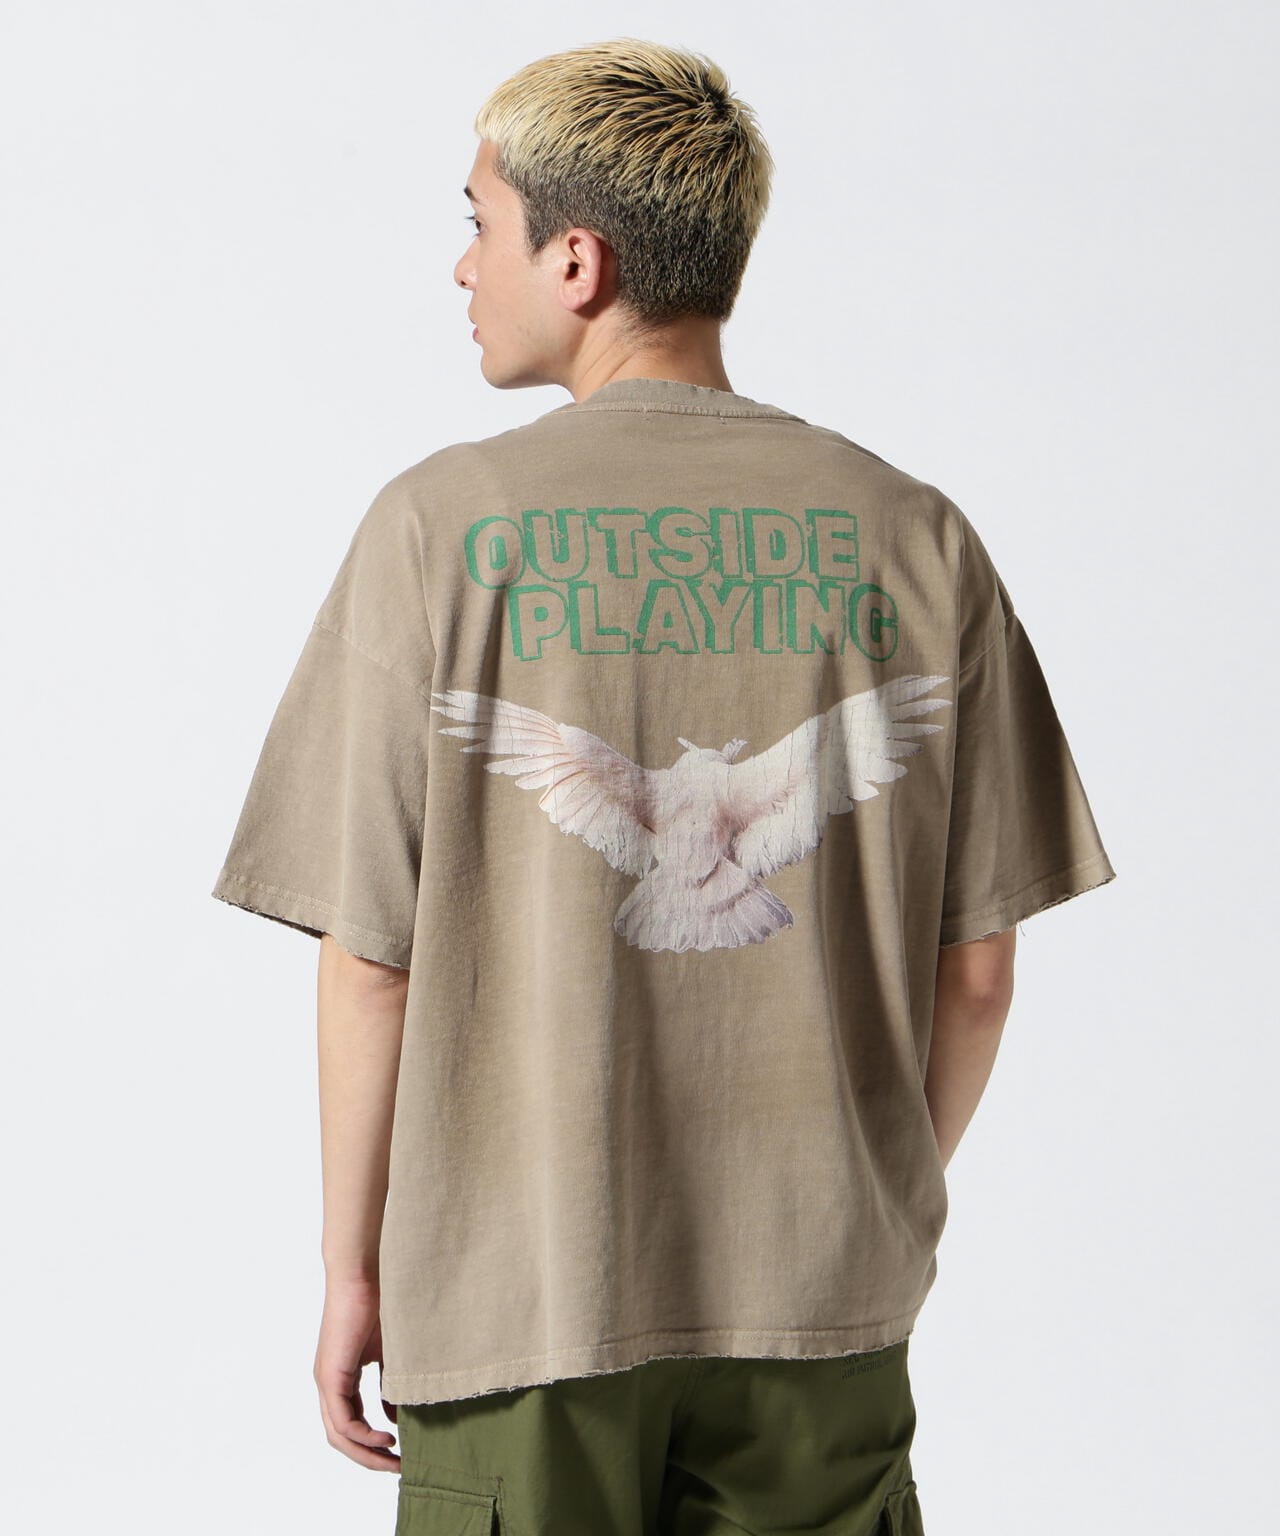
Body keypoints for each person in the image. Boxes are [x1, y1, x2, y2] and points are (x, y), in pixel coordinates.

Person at [210, 36, 1117, 1535]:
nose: (461, 266)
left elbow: (373, 961)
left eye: (480, 223)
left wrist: (353, 1272)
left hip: (523, 1304)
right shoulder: (915, 534)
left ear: (578, 260)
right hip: (820, 1300)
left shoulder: (440, 528)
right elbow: (979, 973)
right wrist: (862, 1203)